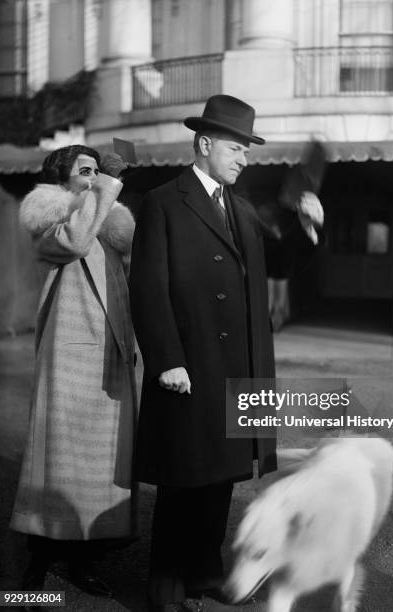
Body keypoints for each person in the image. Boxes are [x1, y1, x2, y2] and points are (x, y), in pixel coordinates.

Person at [129, 95, 324, 612]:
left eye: (247, 151)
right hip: (190, 367)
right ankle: (167, 589)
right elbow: (148, 286)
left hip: (240, 367)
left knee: (218, 481)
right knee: (183, 481)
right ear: (205, 143)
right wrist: (167, 358)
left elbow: (276, 266)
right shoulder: (164, 201)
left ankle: (202, 574)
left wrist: (306, 229)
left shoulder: (240, 209)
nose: (244, 159)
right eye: (237, 148)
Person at [11, 145, 138, 599]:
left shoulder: (108, 224)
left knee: (99, 470)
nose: (95, 177)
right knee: (57, 466)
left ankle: (83, 560)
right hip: (68, 361)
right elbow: (76, 241)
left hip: (111, 357)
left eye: (97, 171)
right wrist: (106, 187)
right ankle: (37, 567)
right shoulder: (52, 219)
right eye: (86, 171)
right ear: (63, 181)